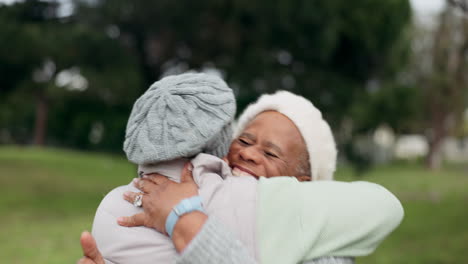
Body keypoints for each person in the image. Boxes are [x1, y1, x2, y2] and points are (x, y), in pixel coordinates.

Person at [79, 82, 403, 263]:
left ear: (303, 185)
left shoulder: (323, 249)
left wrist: (187, 223)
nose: (247, 153)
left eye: (270, 153)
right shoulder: (192, 189)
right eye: (244, 140)